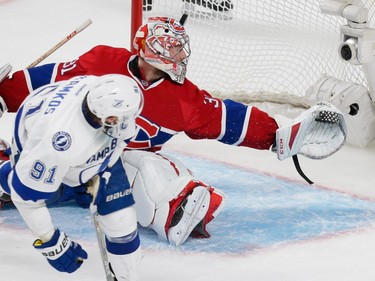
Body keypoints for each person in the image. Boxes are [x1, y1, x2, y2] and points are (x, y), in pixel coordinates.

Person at [0, 16, 346, 247]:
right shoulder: (101, 61)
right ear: (144, 47)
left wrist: (276, 135)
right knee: (26, 148)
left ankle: (177, 205)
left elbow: (227, 119)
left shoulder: (184, 100)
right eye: (167, 48)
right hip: (61, 155)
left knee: (151, 171)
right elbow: (42, 84)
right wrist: (5, 91)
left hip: (110, 174)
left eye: (178, 49)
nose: (174, 55)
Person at [1, 74, 144, 280]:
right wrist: (52, 242)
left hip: (71, 124)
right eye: (122, 118)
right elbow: (26, 199)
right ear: (108, 118)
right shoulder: (58, 144)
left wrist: (99, 172)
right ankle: (4, 171)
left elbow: (120, 139)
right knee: (36, 188)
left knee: (121, 219)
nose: (129, 121)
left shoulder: (102, 94)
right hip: (35, 130)